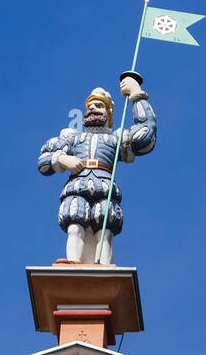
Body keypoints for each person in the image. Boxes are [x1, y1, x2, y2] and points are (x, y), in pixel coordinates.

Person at [38, 75, 157, 264]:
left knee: (105, 228)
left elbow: (145, 136)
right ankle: (73, 261)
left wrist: (136, 94)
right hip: (77, 184)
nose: (93, 109)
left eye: (99, 106)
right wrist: (62, 159)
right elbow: (43, 160)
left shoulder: (116, 139)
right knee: (75, 224)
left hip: (105, 186)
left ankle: (103, 264)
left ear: (108, 114)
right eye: (90, 106)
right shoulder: (72, 138)